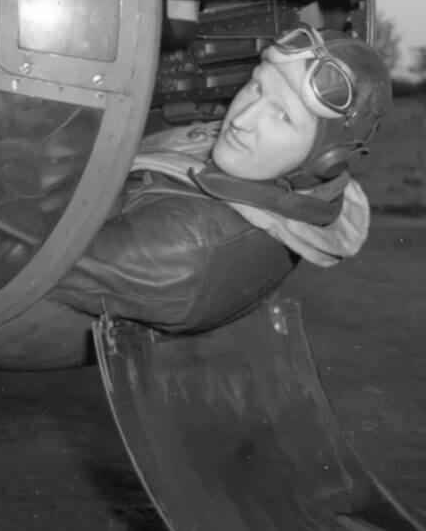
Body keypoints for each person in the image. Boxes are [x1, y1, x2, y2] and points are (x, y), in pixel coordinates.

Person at [43, 23, 393, 333]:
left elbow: (13, 261)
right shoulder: (266, 166)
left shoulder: (186, 244)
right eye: (256, 88)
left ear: (325, 162)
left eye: (281, 116)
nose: (240, 119)